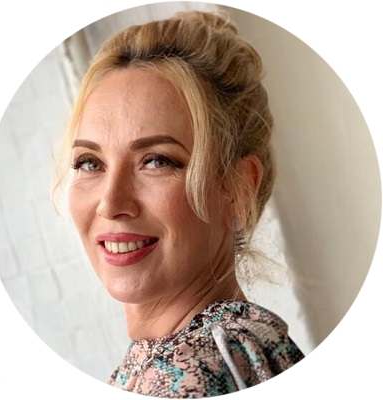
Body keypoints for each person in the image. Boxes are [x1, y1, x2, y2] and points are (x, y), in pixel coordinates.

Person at [53, 10, 332, 400]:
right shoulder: (243, 348)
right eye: (89, 163)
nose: (111, 203)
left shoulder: (191, 375)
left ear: (237, 189)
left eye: (156, 161)